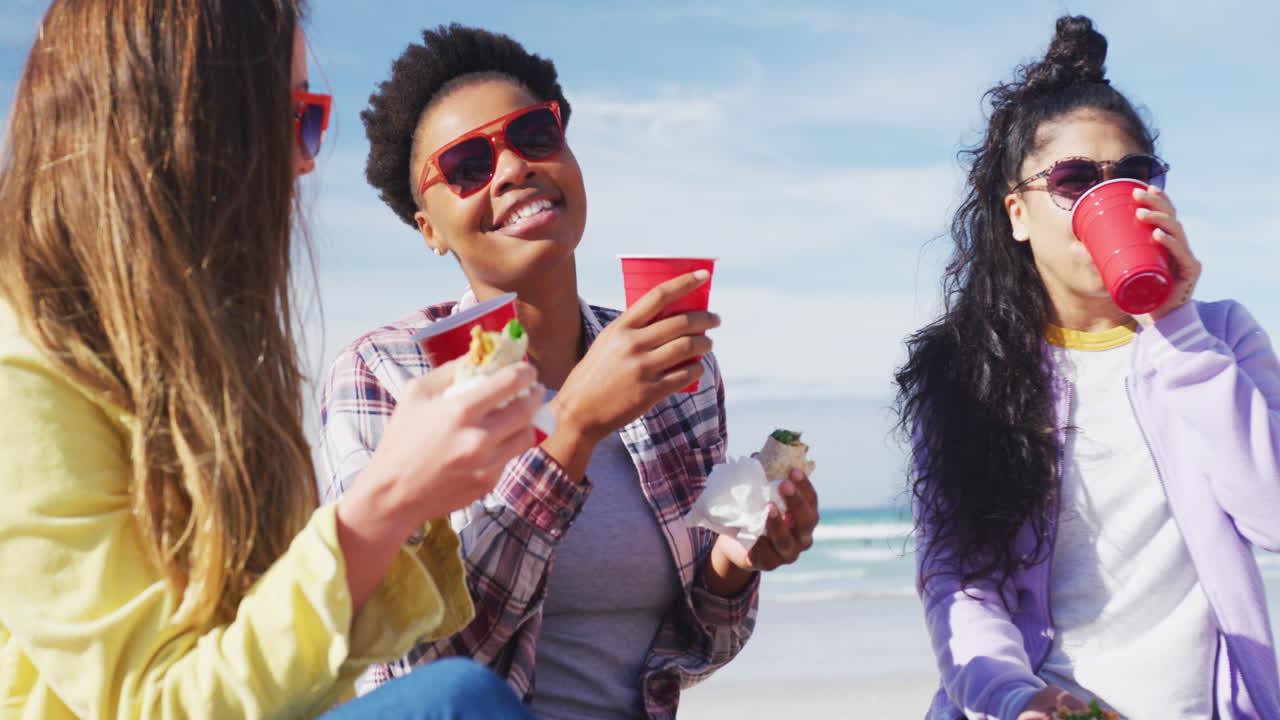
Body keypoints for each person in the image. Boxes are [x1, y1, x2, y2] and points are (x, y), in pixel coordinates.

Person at [0, 2, 539, 718]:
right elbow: (153, 704)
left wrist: (416, 498)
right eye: (296, 118)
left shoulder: (214, 350)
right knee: (457, 703)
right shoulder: (25, 367)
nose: (310, 158)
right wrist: (386, 501)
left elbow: (293, 662)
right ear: (192, 128)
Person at [319, 24, 820, 719]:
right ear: (428, 227)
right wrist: (574, 426)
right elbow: (420, 664)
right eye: (466, 165)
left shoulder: (671, 365)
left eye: (531, 134)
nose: (512, 169)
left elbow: (690, 653)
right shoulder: (386, 375)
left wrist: (737, 562)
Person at [895, 14, 1280, 720]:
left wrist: (1174, 323)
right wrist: (1014, 697)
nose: (1108, 198)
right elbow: (959, 580)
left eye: (1133, 174)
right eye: (1073, 180)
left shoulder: (1218, 336)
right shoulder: (965, 371)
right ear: (1017, 212)